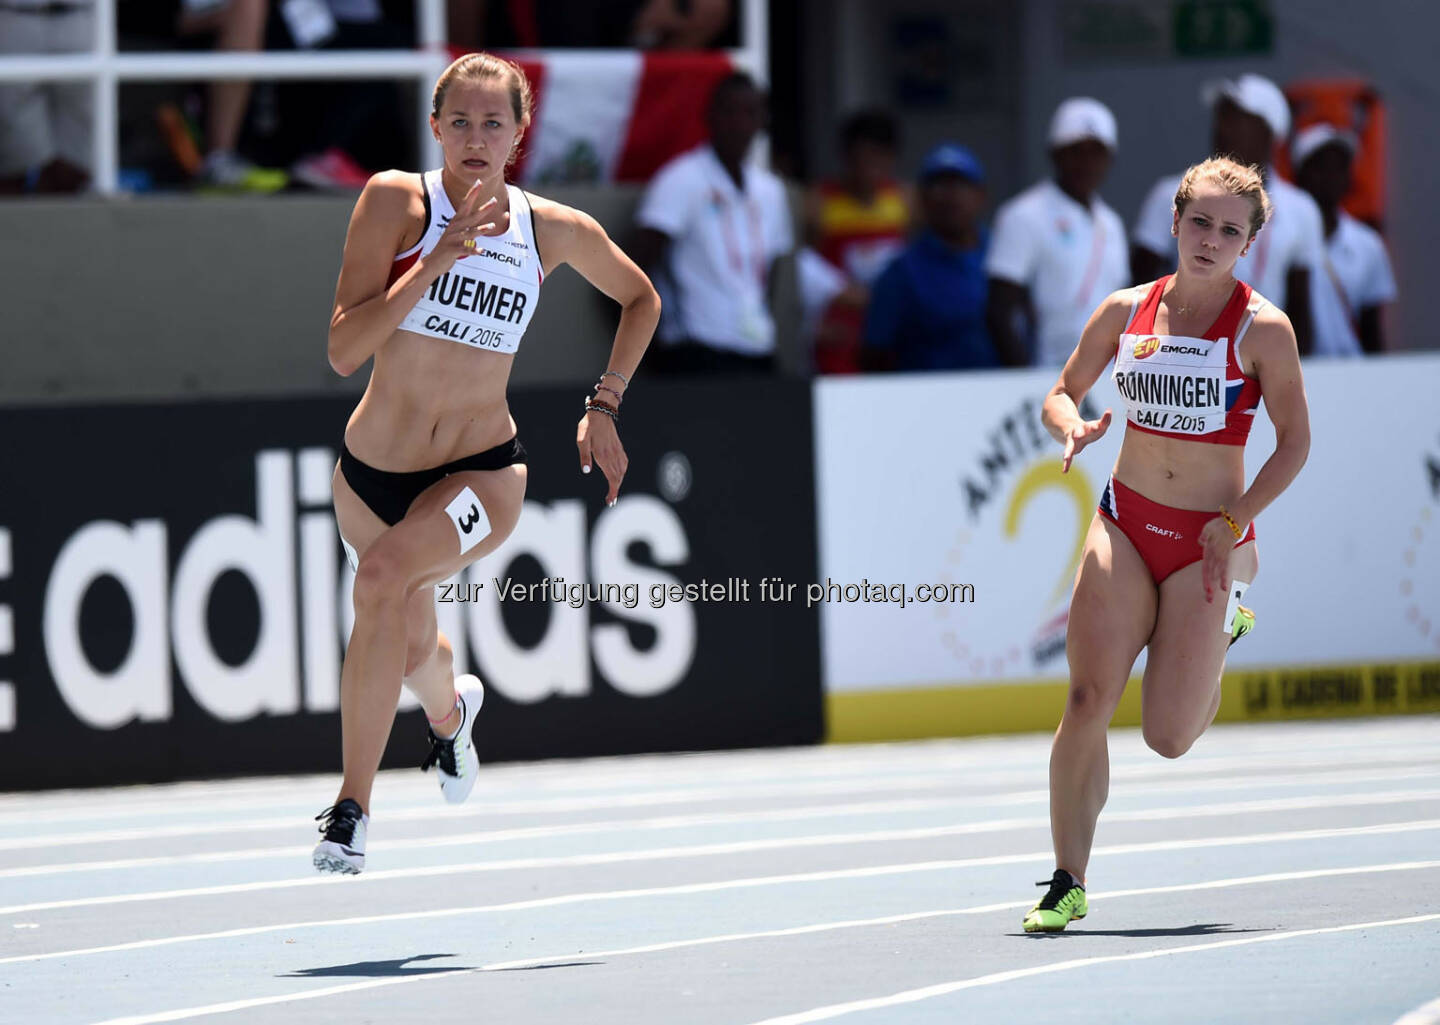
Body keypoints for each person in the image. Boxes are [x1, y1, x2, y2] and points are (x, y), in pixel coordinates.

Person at [312, 52, 660, 874]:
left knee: (380, 580)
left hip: (483, 470)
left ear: (519, 132)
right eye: (459, 121)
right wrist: (432, 261)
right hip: (372, 477)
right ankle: (450, 713)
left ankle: (352, 809)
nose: (475, 137)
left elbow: (640, 297)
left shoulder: (553, 229)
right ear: (435, 128)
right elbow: (341, 349)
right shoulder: (397, 201)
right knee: (406, 642)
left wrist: (603, 402)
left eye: (492, 122)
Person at [1024, 156, 1310, 931]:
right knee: (1086, 698)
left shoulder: (1264, 331)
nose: (1210, 240)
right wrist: (1071, 425)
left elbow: (1293, 444)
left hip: (1207, 543)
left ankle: (1225, 629)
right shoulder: (1124, 311)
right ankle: (1066, 879)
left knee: (1168, 736)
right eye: (1199, 223)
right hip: (1124, 520)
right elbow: (1061, 389)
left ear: (1248, 244)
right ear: (1175, 221)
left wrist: (1236, 517)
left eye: (1229, 230)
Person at [1132, 73, 1323, 353]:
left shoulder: (1301, 209)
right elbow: (1140, 290)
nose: (1222, 127)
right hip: (1183, 360)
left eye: (1237, 118)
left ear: (1269, 133)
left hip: (1262, 364)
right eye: (1221, 116)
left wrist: (1293, 371)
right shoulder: (1170, 193)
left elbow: (1300, 305)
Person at [631, 72, 794, 375]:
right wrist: (650, 352)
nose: (739, 124)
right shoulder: (680, 179)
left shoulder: (770, 190)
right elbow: (632, 270)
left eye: (750, 113)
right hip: (695, 352)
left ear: (762, 121)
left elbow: (770, 276)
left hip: (758, 349)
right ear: (710, 116)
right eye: (729, 111)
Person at [985, 97, 1130, 368]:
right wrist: (1022, 379)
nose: (1086, 163)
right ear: (1054, 153)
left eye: (1096, 152)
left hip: (1108, 377)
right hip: (1046, 374)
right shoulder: (1022, 215)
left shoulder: (1112, 223)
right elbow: (999, 311)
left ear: (1110, 159)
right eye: (1075, 151)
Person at [862, 143, 1000, 372]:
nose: (950, 195)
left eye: (960, 184)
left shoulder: (1005, 258)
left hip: (1006, 396)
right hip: (929, 401)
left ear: (981, 195)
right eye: (938, 185)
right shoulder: (901, 273)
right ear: (922, 199)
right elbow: (875, 354)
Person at [806, 109, 911, 373]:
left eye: (876, 159)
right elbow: (801, 271)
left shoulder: (906, 201)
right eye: (859, 159)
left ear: (891, 158)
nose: (867, 169)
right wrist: (811, 326)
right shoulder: (818, 203)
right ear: (845, 157)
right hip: (840, 332)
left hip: (889, 327)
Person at [1291, 123, 1397, 356]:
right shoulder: (1283, 238)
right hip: (1296, 374)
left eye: (1340, 167)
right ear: (1300, 175)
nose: (1331, 176)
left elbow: (1372, 329)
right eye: (1321, 166)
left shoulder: (1369, 244)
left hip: (1353, 375)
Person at [0, 0, 93, 194]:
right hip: (15, 16)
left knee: (76, 158)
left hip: (78, 15)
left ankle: (51, 222)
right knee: (11, 160)